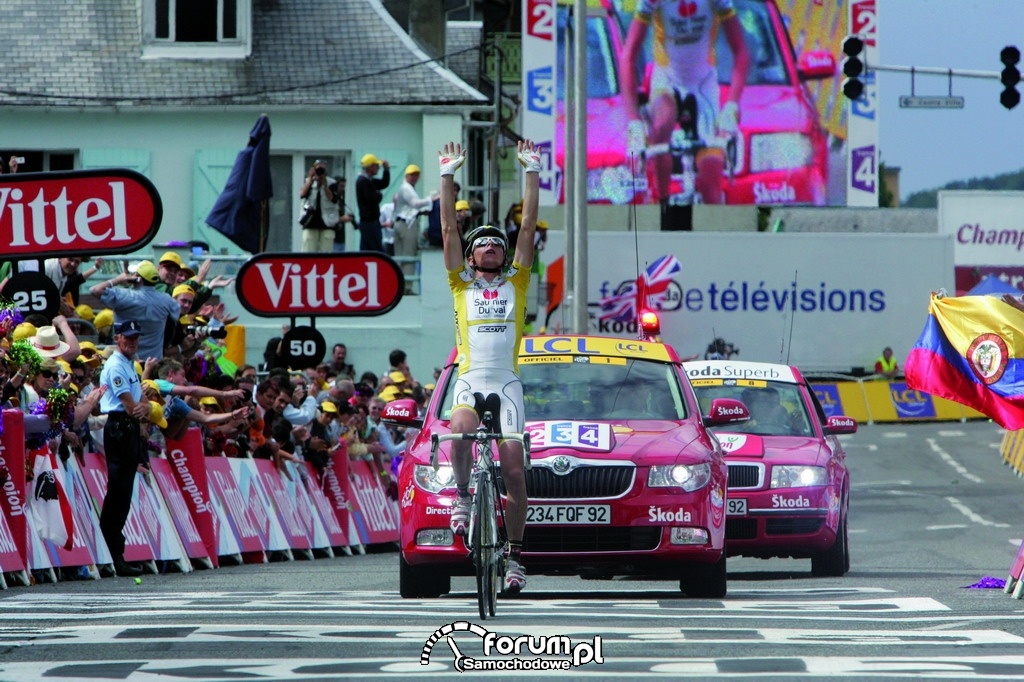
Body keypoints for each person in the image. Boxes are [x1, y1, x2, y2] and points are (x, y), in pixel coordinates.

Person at [438, 138, 540, 593]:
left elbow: (528, 227)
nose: (492, 249)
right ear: (473, 257)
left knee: (514, 468)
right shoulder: (460, 285)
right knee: (458, 429)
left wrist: (531, 171)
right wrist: (446, 176)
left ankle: (515, 559)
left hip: (507, 384)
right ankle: (461, 497)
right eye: (482, 246)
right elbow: (446, 232)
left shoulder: (517, 283)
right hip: (469, 380)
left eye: (498, 245)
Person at [619, 0, 750, 208]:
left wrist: (731, 107)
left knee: (710, 187)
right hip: (667, 80)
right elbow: (627, 57)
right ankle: (660, 205)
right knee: (662, 126)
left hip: (703, 86)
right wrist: (634, 123)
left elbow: (741, 53)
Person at [97, 320, 150, 578]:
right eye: (127, 338)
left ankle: (115, 552)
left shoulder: (130, 364)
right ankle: (113, 553)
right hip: (120, 426)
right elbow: (132, 406)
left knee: (123, 493)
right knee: (118, 492)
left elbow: (144, 402)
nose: (133, 342)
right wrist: (143, 408)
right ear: (117, 338)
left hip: (127, 428)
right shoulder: (117, 365)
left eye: (135, 337)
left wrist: (145, 407)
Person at [89, 261, 180, 363]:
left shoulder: (124, 296)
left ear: (137, 278)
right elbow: (178, 312)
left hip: (124, 362)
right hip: (153, 363)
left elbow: (94, 290)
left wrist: (118, 279)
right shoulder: (166, 300)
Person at [393, 164, 434, 292]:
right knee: (408, 255)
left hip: (401, 222)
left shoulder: (404, 188)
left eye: (416, 175)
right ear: (406, 176)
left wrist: (421, 212)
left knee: (400, 256)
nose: (414, 177)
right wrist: (431, 199)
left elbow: (409, 208)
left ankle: (399, 286)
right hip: (407, 225)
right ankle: (407, 287)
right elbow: (415, 204)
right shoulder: (406, 188)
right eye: (412, 175)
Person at [299, 159, 340, 253]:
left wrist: (325, 186)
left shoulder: (332, 183)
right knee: (308, 251)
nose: (320, 171)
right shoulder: (308, 181)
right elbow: (302, 194)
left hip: (327, 222)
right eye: (318, 169)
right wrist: (310, 178)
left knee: (326, 253)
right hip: (310, 222)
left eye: (323, 169)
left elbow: (333, 199)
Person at [355, 153, 391, 253]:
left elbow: (384, 183)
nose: (378, 168)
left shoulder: (368, 180)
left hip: (372, 222)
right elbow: (372, 199)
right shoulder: (363, 181)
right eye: (376, 166)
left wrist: (386, 170)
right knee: (374, 250)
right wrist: (378, 195)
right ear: (369, 167)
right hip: (369, 223)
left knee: (371, 248)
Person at [331, 176, 356, 253]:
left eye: (344, 186)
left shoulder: (340, 199)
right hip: (332, 238)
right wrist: (342, 219)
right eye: (341, 186)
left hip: (340, 238)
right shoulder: (330, 200)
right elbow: (328, 218)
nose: (343, 189)